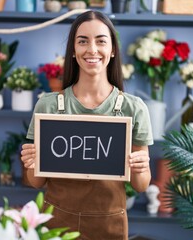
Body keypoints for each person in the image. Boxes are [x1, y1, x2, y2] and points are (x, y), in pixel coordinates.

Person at [21, 10, 153, 239]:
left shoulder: (134, 108)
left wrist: (141, 167)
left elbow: (141, 185)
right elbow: (36, 181)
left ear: (112, 50)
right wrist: (30, 162)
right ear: (73, 50)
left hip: (109, 225)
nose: (92, 49)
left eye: (101, 41)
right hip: (57, 223)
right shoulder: (48, 105)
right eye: (83, 41)